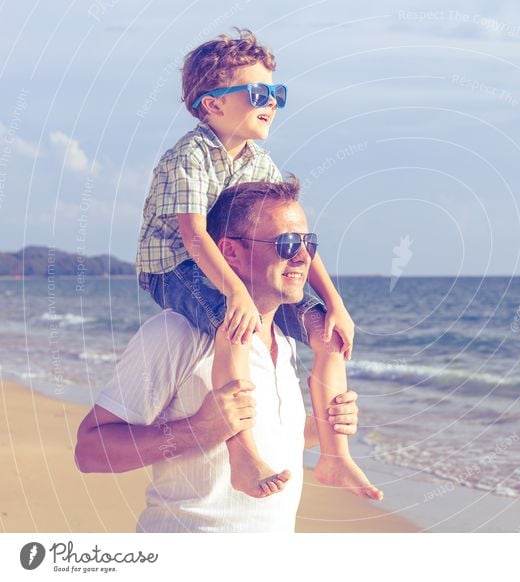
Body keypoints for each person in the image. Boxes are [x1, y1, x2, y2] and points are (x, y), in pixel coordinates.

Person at [134, 29, 379, 499]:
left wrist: (336, 303)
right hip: (174, 266)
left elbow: (295, 242)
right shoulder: (189, 156)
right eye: (258, 93)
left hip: (233, 270)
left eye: (277, 93)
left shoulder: (259, 163)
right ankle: (243, 454)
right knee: (235, 324)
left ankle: (336, 457)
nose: (272, 103)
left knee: (327, 332)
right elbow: (194, 235)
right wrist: (237, 294)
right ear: (213, 105)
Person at [75, 179, 370, 532]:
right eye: (287, 243)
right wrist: (197, 430)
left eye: (309, 243)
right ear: (230, 251)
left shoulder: (285, 342)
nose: (303, 256)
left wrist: (325, 425)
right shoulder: (176, 335)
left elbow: (271, 437)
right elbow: (89, 450)